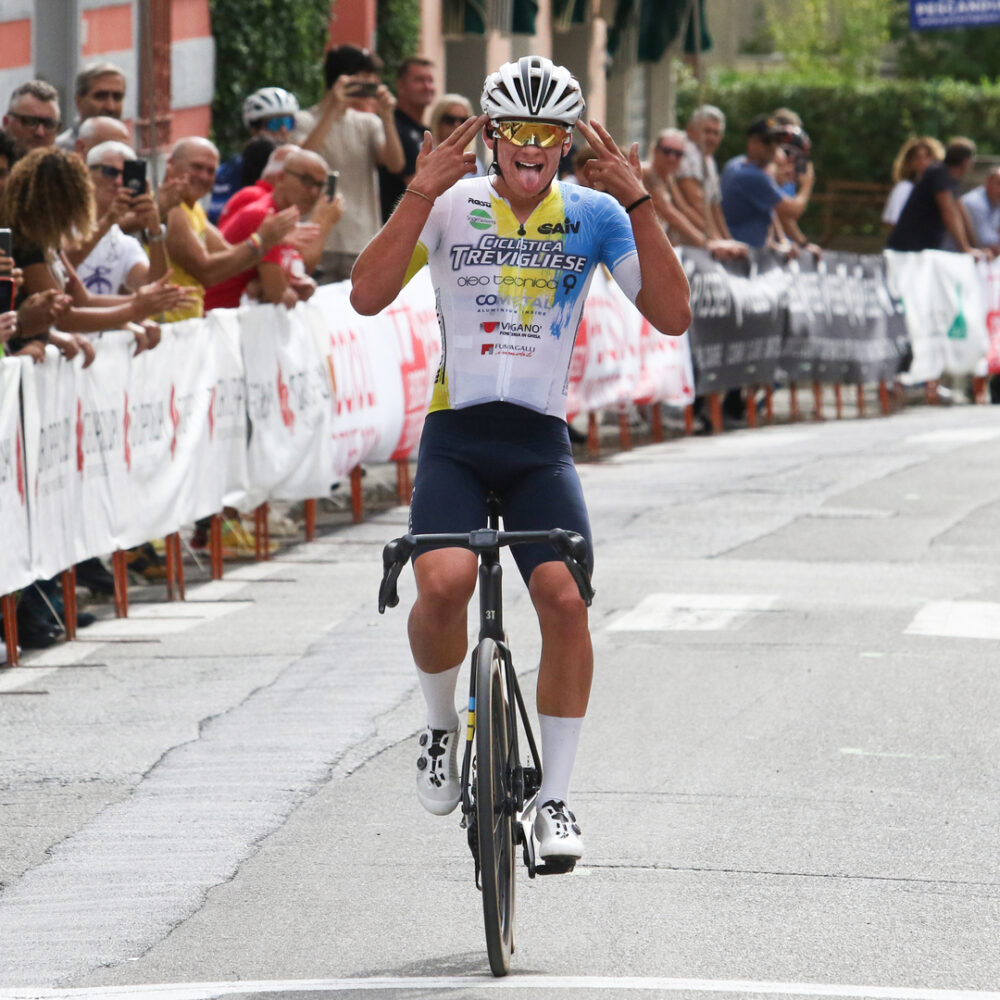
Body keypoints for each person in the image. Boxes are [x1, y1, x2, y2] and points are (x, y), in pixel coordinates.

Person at [350, 56, 691, 862]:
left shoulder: (598, 213)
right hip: (458, 436)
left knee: (565, 604)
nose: (533, 148)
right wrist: (418, 191)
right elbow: (366, 294)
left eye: (551, 133)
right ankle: (439, 727)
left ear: (569, 141)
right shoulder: (450, 205)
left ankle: (557, 801)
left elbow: (672, 316)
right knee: (442, 583)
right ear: (492, 139)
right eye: (518, 133)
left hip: (538, 442)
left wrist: (640, 202)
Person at [160, 136, 303, 321]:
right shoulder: (172, 209)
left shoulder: (192, 207)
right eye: (196, 167)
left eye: (211, 171)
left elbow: (233, 262)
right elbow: (207, 271)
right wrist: (262, 240)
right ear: (170, 165)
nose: (203, 176)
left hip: (187, 326)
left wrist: (261, 278)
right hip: (167, 329)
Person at [300, 44, 405, 283]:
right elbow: (302, 161)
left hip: (361, 241)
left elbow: (395, 164)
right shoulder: (304, 120)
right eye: (364, 77)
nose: (372, 83)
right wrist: (334, 108)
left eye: (373, 78)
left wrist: (387, 118)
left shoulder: (369, 123)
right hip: (316, 238)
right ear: (341, 78)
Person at [205, 148, 343, 310]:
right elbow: (279, 295)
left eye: (320, 185)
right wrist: (323, 221)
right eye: (306, 181)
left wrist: (267, 284)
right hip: (219, 320)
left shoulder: (283, 216)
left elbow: (291, 274)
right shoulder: (264, 213)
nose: (314, 192)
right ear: (281, 178)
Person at [68, 141, 170, 298]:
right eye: (110, 172)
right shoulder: (62, 223)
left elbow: (154, 288)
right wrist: (109, 220)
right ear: (86, 173)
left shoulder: (123, 242)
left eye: (127, 176)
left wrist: (155, 230)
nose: (119, 182)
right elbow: (62, 268)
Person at [643, 128, 746, 258]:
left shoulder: (668, 177)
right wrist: (707, 243)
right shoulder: (646, 173)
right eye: (667, 151)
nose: (672, 158)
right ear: (655, 150)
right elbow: (670, 213)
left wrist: (716, 238)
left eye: (678, 154)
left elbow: (684, 210)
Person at [720, 114, 814, 250]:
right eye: (767, 141)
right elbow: (793, 210)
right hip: (741, 255)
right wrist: (807, 184)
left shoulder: (735, 163)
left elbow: (769, 210)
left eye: (777, 141)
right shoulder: (752, 176)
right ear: (752, 142)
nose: (774, 146)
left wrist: (781, 241)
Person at [208, 86, 299, 224]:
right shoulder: (248, 161)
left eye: (288, 122)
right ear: (254, 129)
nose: (283, 129)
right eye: (275, 123)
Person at [887, 138, 984, 257]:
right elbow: (948, 211)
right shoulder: (938, 173)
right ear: (967, 162)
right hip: (908, 252)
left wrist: (976, 248)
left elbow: (961, 214)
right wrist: (965, 248)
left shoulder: (949, 180)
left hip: (921, 251)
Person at [379, 57, 437, 222]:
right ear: (401, 85)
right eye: (419, 80)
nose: (427, 87)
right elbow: (412, 180)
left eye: (430, 81)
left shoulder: (425, 130)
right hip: (393, 224)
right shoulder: (389, 124)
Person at [676, 104, 738, 245]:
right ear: (691, 131)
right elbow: (696, 202)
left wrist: (728, 241)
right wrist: (717, 240)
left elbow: (714, 205)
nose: (711, 138)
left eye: (716, 133)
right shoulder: (688, 151)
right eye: (707, 131)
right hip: (685, 240)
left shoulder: (708, 158)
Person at [55, 62, 127, 152]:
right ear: (79, 101)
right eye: (101, 96)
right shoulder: (60, 152)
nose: (110, 107)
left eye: (117, 97)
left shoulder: (127, 150)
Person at [882, 136, 944, 231]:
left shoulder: (941, 189)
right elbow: (894, 222)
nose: (922, 161)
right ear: (909, 162)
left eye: (927, 157)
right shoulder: (904, 187)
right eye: (917, 157)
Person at [943, 166, 1000, 255]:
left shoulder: (996, 203)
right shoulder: (974, 202)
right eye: (999, 184)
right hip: (951, 257)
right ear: (989, 181)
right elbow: (984, 240)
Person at [2, 80, 61, 155]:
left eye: (49, 124)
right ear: (6, 122)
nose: (40, 133)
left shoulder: (67, 165)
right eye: (30, 122)